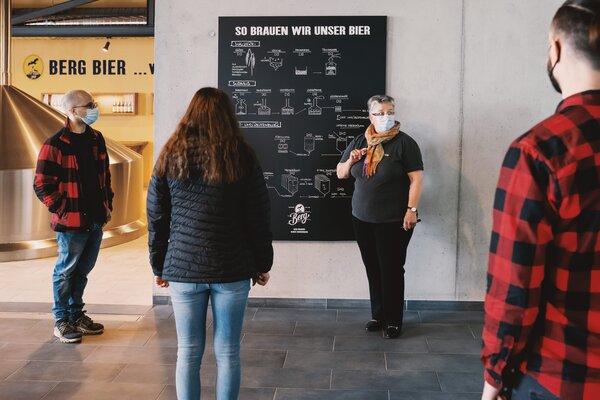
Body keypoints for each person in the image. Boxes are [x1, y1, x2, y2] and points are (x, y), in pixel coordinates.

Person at [481, 1, 600, 399]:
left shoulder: (540, 151)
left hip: (566, 374)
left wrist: (495, 375)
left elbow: (516, 285)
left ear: (555, 49)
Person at [147, 87, 273, 400]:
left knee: (187, 352)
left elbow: (156, 215)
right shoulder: (241, 154)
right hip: (231, 268)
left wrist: (159, 264)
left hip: (183, 267)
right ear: (228, 116)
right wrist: (262, 264)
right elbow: (259, 215)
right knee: (228, 352)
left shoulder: (171, 152)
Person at [337, 94, 424, 339]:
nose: (386, 117)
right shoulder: (359, 142)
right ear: (370, 116)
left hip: (394, 220)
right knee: (373, 268)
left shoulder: (405, 144)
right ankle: (379, 315)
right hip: (362, 218)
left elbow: (416, 179)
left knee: (392, 269)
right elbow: (341, 173)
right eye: (380, 113)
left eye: (390, 112)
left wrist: (412, 209)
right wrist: (352, 159)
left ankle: (393, 320)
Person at [33, 89, 113, 343]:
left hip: (95, 218)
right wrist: (63, 210)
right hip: (72, 222)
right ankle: (62, 320)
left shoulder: (96, 138)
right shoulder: (54, 144)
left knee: (83, 271)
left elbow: (105, 175)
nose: (94, 108)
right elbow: (42, 184)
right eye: (88, 105)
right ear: (72, 111)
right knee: (65, 271)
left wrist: (107, 203)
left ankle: (76, 315)